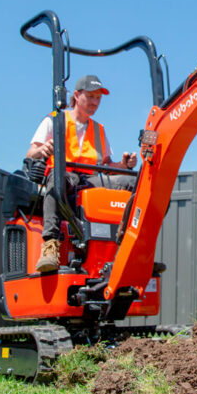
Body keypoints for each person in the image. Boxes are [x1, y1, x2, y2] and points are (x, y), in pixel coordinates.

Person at [27, 75, 137, 272]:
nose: (95, 102)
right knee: (56, 179)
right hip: (64, 176)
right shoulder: (55, 120)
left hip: (90, 180)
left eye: (98, 98)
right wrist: (43, 149)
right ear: (77, 95)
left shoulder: (99, 129)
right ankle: (51, 245)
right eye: (91, 96)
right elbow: (30, 153)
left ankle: (131, 246)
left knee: (133, 182)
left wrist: (124, 165)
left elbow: (106, 165)